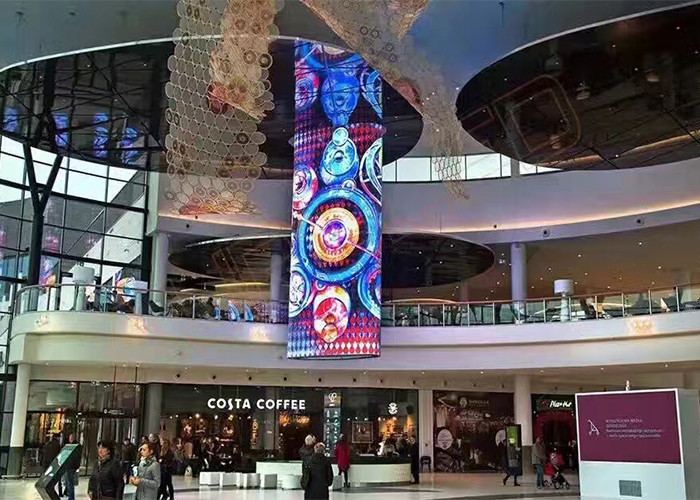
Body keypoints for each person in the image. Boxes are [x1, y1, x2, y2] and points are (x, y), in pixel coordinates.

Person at [62, 434, 81, 500]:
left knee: (70, 482)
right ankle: (67, 492)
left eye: (70, 438)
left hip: (70, 466)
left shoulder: (72, 446)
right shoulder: (77, 446)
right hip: (72, 466)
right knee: (68, 481)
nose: (70, 439)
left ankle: (71, 497)